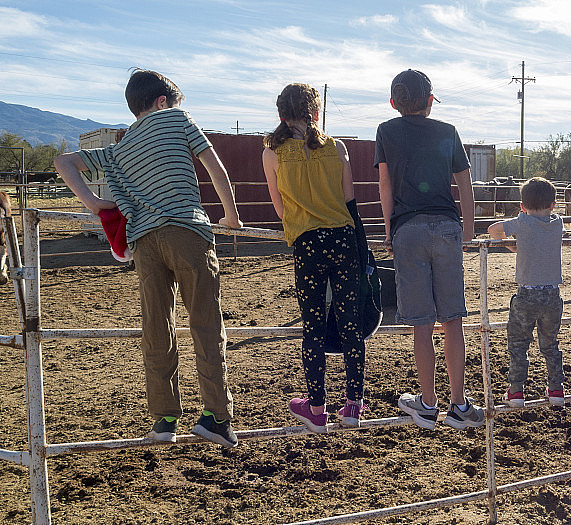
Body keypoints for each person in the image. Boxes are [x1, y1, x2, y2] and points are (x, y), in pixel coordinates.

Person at [54, 69, 243, 447]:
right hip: (186, 231)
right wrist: (231, 214)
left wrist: (93, 204)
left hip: (145, 243)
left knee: (158, 327)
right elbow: (213, 165)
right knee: (206, 323)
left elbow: (64, 162)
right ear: (162, 102)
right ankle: (215, 417)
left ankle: (164, 420)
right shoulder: (176, 117)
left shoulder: (119, 148)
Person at [375, 69, 484, 430]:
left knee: (422, 323)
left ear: (395, 103)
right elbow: (465, 186)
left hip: (408, 230)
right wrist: (467, 231)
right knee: (453, 319)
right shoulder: (448, 131)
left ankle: (426, 403)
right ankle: (460, 405)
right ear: (430, 101)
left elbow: (385, 184)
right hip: (447, 228)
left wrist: (390, 230)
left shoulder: (386, 131)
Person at [262, 83, 367, 434]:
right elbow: (350, 202)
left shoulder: (272, 153)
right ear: (316, 113)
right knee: (349, 321)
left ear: (281, 114)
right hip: (343, 239)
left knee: (313, 324)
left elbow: (280, 208)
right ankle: (353, 404)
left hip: (307, 243)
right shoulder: (338, 148)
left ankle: (317, 407)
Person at [487, 177, 566, 407]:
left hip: (527, 294)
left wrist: (513, 246)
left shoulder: (521, 222)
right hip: (552, 294)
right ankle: (556, 389)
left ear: (522, 206)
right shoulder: (557, 222)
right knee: (550, 344)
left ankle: (516, 392)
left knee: (519, 344)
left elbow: (493, 230)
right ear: (553, 205)